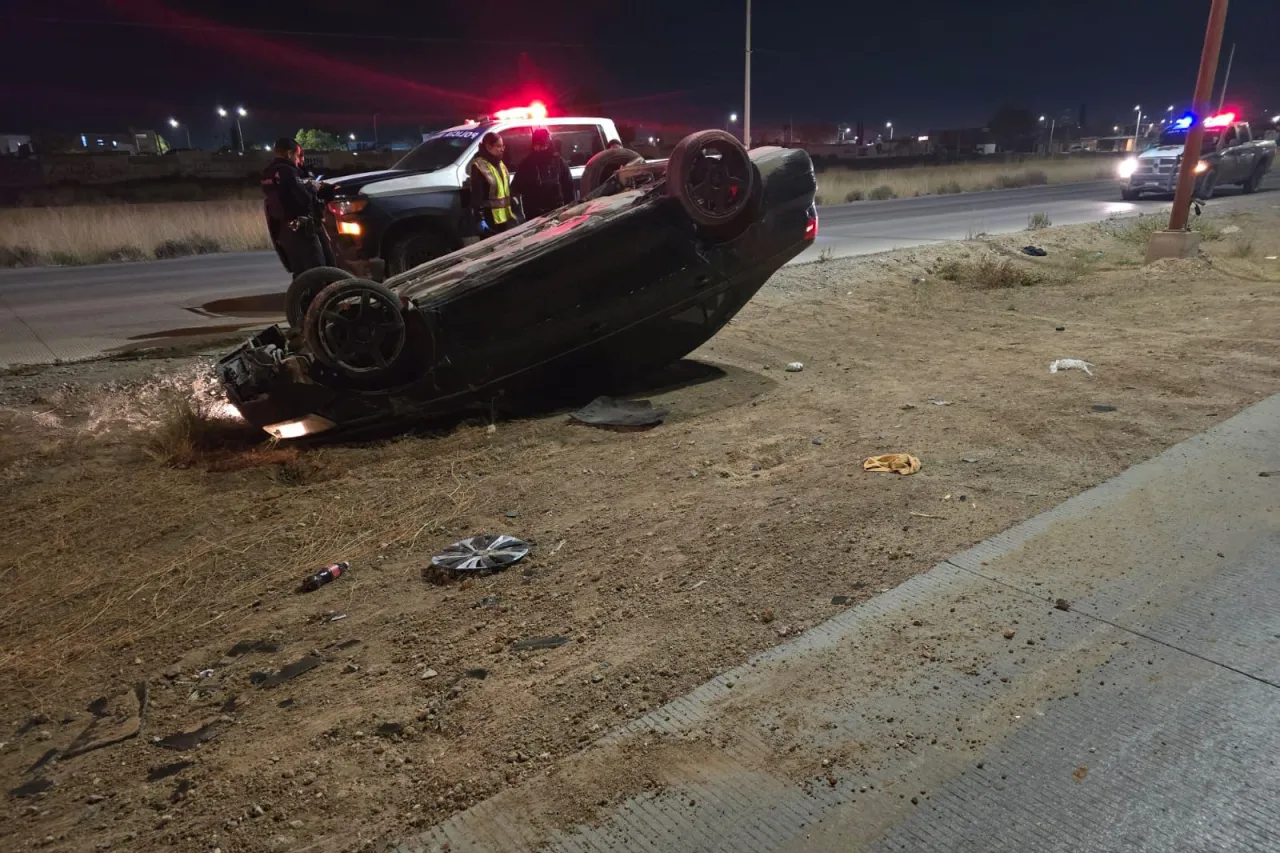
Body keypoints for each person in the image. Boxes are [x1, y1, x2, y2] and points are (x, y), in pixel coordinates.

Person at [262, 137, 331, 277]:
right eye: (298, 155)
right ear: (289, 154)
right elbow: (303, 199)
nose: (299, 160)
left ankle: (301, 297)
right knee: (319, 271)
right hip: (302, 229)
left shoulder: (267, 173)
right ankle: (321, 298)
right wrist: (312, 188)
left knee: (300, 271)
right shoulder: (288, 171)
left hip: (283, 230)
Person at [510, 127, 574, 220]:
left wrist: (569, 208)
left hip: (557, 212)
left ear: (548, 144)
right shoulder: (526, 164)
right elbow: (516, 188)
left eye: (543, 145)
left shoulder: (558, 162)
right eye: (537, 145)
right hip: (534, 215)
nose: (540, 149)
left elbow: (568, 187)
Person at [468, 132, 515, 239]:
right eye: (498, 146)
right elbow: (476, 194)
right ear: (488, 147)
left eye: (503, 146)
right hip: (489, 219)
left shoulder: (500, 164)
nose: (502, 149)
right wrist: (480, 218)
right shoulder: (479, 166)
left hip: (504, 218)